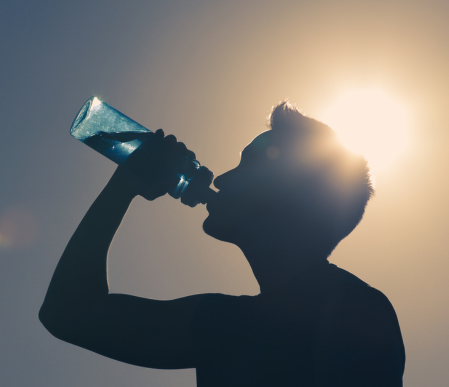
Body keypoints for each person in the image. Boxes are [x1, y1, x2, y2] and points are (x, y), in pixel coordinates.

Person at [39, 101, 405, 386]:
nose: (223, 178)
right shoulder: (224, 323)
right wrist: (123, 187)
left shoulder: (352, 310)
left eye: (247, 165)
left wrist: (122, 189)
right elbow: (69, 315)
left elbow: (70, 314)